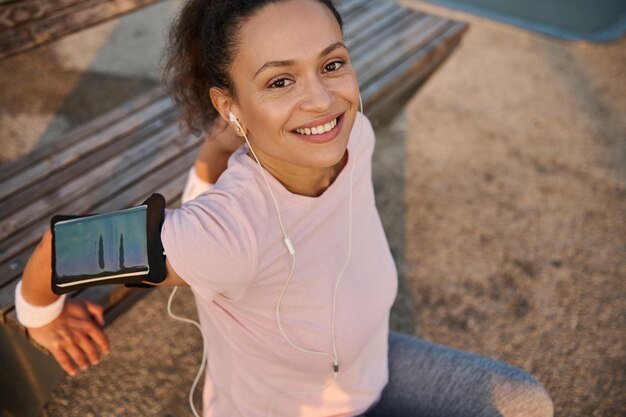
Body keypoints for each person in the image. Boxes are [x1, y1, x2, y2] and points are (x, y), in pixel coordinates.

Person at [17, 0, 555, 416]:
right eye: (280, 80)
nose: (323, 100)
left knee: (523, 402)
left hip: (371, 371)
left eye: (332, 63)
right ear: (229, 104)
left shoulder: (357, 137)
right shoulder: (230, 235)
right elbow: (69, 248)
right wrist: (39, 317)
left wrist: (215, 150)